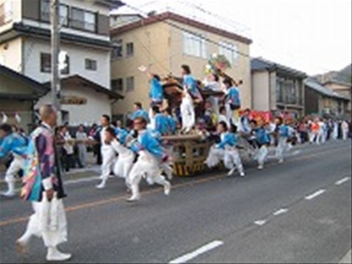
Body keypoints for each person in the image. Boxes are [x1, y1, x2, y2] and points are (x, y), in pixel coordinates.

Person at [17, 104, 71, 262]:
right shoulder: (45, 134)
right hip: (44, 182)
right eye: (55, 115)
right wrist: (48, 185)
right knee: (51, 215)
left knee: (41, 214)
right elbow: (45, 160)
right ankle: (52, 251)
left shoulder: (36, 132)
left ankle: (25, 238)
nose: (57, 118)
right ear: (51, 115)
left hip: (33, 181)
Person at [126, 117, 171, 202]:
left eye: (138, 123)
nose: (136, 125)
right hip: (141, 159)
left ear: (143, 124)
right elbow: (136, 146)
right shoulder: (137, 134)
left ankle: (166, 184)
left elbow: (151, 147)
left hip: (149, 160)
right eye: (134, 123)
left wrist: (163, 155)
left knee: (155, 178)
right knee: (133, 176)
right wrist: (131, 144)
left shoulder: (147, 135)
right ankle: (135, 195)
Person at [0, 123, 27, 197]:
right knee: (10, 173)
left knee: (30, 175)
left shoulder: (9, 139)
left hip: (23, 158)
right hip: (19, 158)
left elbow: (2, 151)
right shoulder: (16, 135)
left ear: (4, 131)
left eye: (1, 131)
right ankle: (11, 191)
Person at [96, 115, 116, 189]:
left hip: (110, 148)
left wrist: (109, 140)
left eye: (103, 120)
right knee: (114, 165)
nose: (101, 121)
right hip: (103, 148)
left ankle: (103, 181)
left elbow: (114, 137)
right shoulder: (101, 129)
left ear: (107, 121)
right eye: (101, 120)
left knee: (105, 164)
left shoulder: (111, 128)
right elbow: (96, 137)